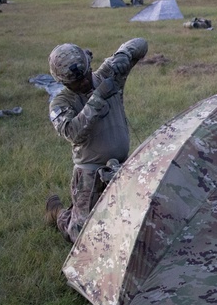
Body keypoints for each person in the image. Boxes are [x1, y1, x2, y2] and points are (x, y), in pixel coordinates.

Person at [45, 37, 148, 242]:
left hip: (121, 164)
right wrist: (97, 98)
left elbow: (140, 43)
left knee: (131, 220)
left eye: (85, 76)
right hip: (89, 172)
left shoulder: (105, 75)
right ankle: (58, 214)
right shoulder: (61, 102)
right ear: (63, 82)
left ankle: (83, 209)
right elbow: (72, 133)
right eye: (76, 82)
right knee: (80, 235)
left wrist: (123, 55)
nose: (84, 82)